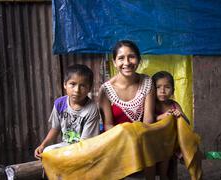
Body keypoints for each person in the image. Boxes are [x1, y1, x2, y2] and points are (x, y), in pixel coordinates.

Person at [99, 40, 156, 179]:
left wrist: (136, 140)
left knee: (149, 148)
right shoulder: (106, 89)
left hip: (143, 136)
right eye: (121, 58)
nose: (127, 62)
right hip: (117, 140)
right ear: (114, 62)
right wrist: (125, 139)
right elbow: (108, 124)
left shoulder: (147, 82)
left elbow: (148, 119)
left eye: (131, 56)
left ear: (139, 59)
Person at [34, 64, 101, 159]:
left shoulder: (91, 108)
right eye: (72, 84)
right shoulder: (60, 104)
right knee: (47, 151)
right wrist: (43, 145)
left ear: (89, 88)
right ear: (65, 84)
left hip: (85, 148)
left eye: (82, 86)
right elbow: (55, 128)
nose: (77, 90)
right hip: (67, 146)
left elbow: (86, 143)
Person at [152, 71, 191, 179]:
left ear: (173, 90)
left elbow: (187, 123)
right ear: (152, 90)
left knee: (172, 168)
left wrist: (181, 115)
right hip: (156, 141)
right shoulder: (152, 105)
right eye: (158, 87)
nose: (162, 91)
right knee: (164, 163)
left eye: (167, 87)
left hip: (171, 141)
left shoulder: (174, 105)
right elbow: (148, 120)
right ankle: (163, 176)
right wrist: (161, 117)